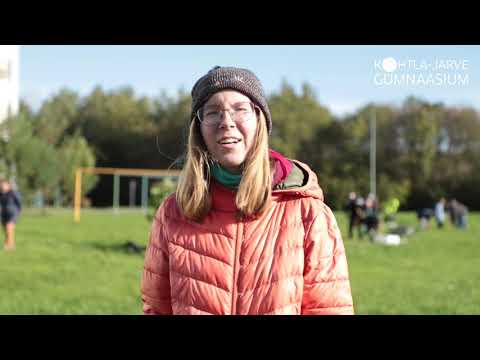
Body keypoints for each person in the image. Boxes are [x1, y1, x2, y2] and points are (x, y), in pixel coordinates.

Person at [141, 66, 354, 315]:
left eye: (240, 109)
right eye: (212, 112)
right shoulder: (172, 213)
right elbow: (157, 310)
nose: (226, 122)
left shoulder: (307, 212)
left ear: (259, 120)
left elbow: (328, 309)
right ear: (198, 130)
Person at [0, 179, 22, 251]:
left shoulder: (13, 193)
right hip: (4, 213)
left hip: (13, 213)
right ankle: (10, 244)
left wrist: (18, 211)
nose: (2, 186)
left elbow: (19, 202)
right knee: (5, 230)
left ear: (8, 185)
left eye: (4, 185)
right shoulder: (1, 194)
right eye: (1, 185)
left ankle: (9, 245)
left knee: (9, 228)